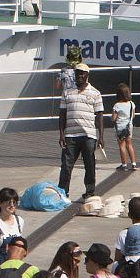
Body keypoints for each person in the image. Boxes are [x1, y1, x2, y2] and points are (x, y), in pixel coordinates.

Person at [58, 65, 104, 200]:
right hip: (70, 135)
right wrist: (61, 134)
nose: (78, 76)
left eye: (81, 74)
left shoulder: (95, 93)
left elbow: (100, 115)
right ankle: (63, 192)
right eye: (77, 74)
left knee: (90, 164)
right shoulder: (67, 92)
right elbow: (62, 115)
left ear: (87, 75)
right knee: (66, 165)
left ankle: (90, 191)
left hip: (89, 135)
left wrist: (101, 137)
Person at [111, 83, 138, 171]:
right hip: (129, 127)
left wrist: (111, 117)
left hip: (120, 127)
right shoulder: (131, 104)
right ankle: (133, 164)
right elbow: (133, 116)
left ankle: (124, 164)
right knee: (129, 144)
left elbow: (113, 118)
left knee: (122, 145)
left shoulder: (117, 105)